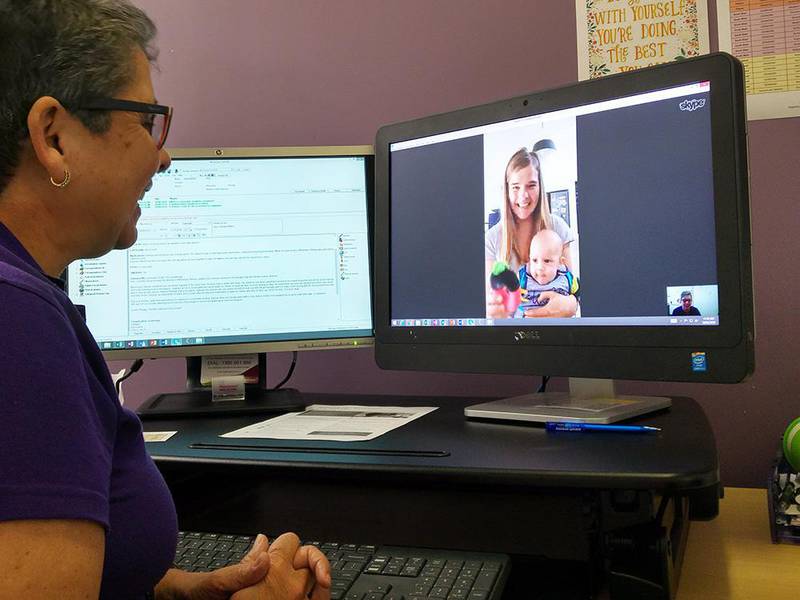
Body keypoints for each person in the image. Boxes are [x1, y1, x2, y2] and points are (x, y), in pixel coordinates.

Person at [0, 2, 330, 599]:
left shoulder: (26, 296)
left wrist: (177, 590)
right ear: (52, 136)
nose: (163, 156)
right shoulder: (16, 321)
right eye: (148, 121)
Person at [484, 148, 578, 318]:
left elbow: (575, 294)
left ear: (540, 187)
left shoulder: (558, 227)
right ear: (506, 190)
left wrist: (571, 304)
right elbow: (492, 306)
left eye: (531, 185)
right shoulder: (492, 239)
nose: (523, 196)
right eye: (515, 187)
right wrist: (495, 311)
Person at [515, 229, 578, 317]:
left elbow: (578, 294)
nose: (540, 267)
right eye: (535, 260)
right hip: (526, 324)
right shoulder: (522, 277)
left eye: (547, 261)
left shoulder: (567, 279)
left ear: (560, 262)